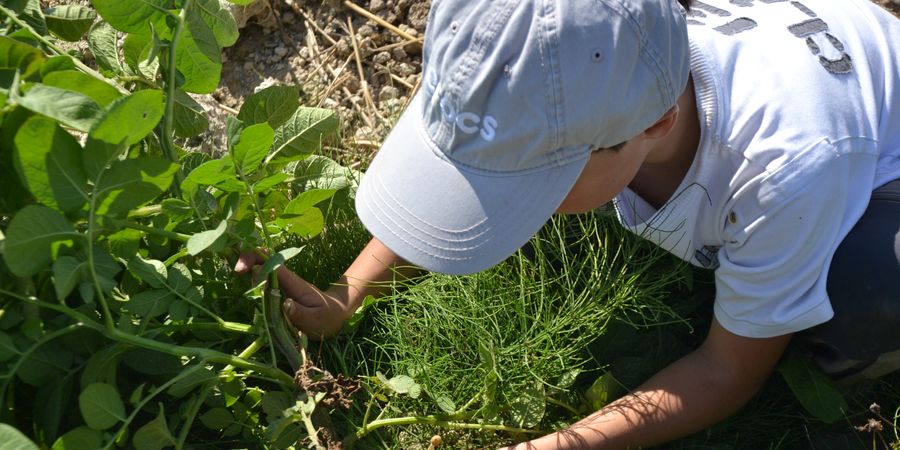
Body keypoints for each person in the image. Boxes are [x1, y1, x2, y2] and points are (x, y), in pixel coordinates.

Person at [236, 0, 900, 447]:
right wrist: (347, 294)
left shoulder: (779, 176)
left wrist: (558, 444)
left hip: (872, 165)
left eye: (535, 180)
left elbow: (727, 374)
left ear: (656, 125)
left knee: (866, 294)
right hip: (807, 60)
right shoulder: (550, 74)